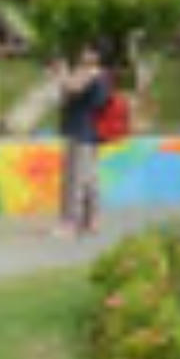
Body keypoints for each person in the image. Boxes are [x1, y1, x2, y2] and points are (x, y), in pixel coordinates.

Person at [54, 45, 112, 235]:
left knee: (75, 178)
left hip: (82, 131)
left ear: (97, 55)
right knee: (89, 178)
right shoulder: (99, 75)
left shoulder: (92, 74)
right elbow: (67, 95)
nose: (83, 53)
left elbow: (71, 88)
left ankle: (71, 222)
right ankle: (92, 219)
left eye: (88, 50)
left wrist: (61, 72)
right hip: (87, 131)